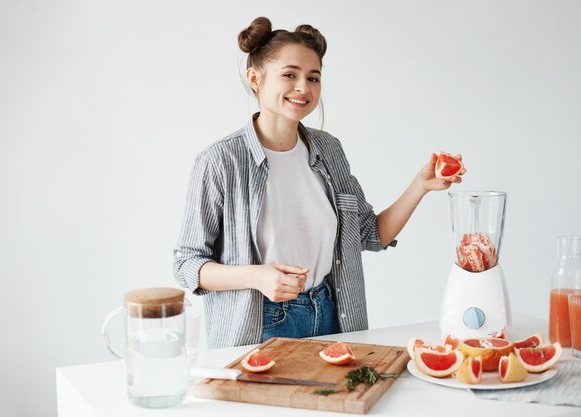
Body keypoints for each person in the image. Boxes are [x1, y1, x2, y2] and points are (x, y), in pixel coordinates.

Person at [173, 17, 465, 349]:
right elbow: (186, 264)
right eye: (289, 75)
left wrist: (420, 186)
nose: (303, 88)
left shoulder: (329, 149)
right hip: (261, 322)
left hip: (334, 314)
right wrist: (257, 276)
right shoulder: (221, 161)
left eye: (313, 78)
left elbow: (370, 234)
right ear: (255, 78)